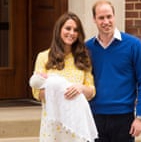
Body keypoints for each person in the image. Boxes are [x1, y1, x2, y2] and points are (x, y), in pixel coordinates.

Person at [85, 0, 141, 142]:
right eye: (101, 18)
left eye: (109, 16)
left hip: (124, 118)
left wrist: (140, 117)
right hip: (94, 117)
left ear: (114, 17)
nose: (106, 21)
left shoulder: (133, 45)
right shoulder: (87, 48)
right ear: (94, 20)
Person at [31, 12, 97, 142]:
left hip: (77, 124)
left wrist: (81, 88)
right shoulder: (44, 57)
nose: (71, 33)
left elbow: (91, 91)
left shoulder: (83, 58)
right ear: (59, 29)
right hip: (53, 124)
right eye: (68, 28)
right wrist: (61, 88)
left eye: (75, 30)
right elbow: (37, 92)